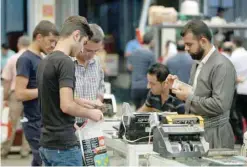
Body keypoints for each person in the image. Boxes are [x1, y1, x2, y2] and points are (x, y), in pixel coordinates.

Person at [37, 16, 103, 166]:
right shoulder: (66, 62)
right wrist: (91, 113)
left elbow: (53, 98)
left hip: (47, 144)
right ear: (76, 35)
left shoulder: (45, 60)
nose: (81, 49)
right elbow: (66, 105)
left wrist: (83, 102)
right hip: (64, 148)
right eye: (83, 44)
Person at [168, 20, 236, 149]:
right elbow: (196, 92)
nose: (186, 48)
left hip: (216, 137)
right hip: (197, 132)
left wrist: (188, 97)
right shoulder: (197, 63)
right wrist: (177, 86)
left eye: (189, 44)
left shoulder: (222, 66)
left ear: (203, 41)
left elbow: (219, 105)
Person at [15, 20, 59, 166]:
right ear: (39, 37)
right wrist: (46, 90)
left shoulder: (41, 58)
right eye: (50, 41)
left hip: (44, 120)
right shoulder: (25, 59)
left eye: (55, 42)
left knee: (39, 161)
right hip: (33, 121)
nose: (53, 45)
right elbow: (19, 94)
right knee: (43, 160)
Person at [1, 36, 31, 158]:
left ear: (18, 45)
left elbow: (7, 80)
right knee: (28, 124)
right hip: (31, 95)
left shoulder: (12, 58)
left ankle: (4, 150)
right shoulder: (35, 58)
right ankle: (25, 151)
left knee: (11, 124)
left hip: (15, 95)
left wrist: (5, 96)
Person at [74, 23, 105, 124]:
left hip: (91, 124)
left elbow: (100, 87)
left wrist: (98, 101)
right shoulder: (66, 62)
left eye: (96, 51)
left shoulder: (97, 62)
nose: (91, 55)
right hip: (70, 124)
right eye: (88, 50)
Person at [127, 31, 155, 109]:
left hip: (134, 86)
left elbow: (129, 67)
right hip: (145, 87)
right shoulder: (150, 55)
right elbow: (153, 71)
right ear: (151, 41)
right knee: (145, 111)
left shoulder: (133, 53)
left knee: (137, 109)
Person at [230, 36, 247, 132]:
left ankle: (240, 135)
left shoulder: (234, 56)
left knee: (238, 112)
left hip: (239, 88)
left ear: (234, 43)